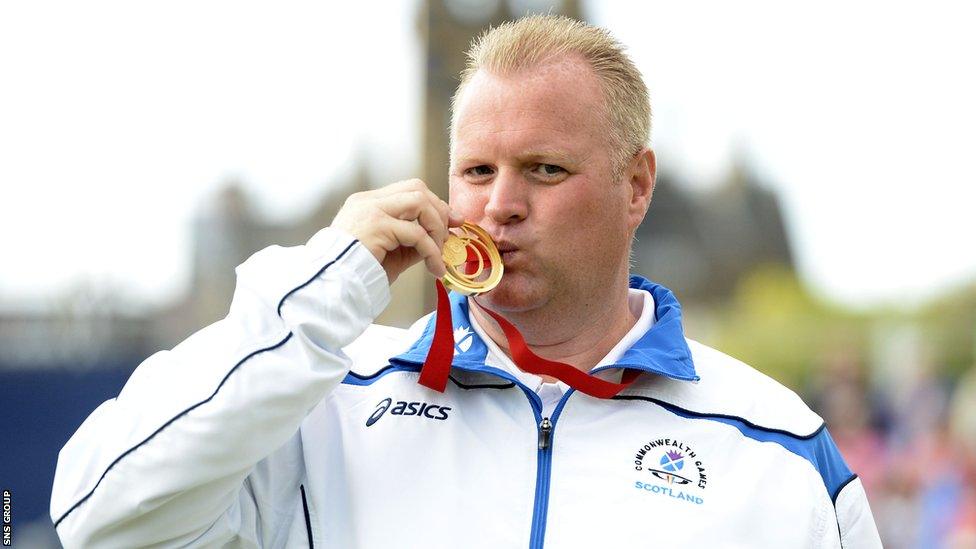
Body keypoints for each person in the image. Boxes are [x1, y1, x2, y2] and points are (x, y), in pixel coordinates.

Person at [51, 15, 882, 548]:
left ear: (637, 186)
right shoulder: (322, 398)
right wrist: (319, 297)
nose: (500, 204)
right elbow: (96, 510)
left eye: (546, 169)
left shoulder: (778, 450)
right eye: (476, 169)